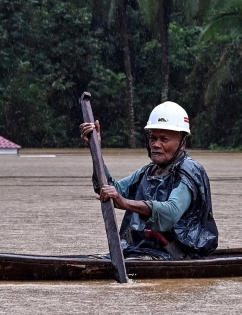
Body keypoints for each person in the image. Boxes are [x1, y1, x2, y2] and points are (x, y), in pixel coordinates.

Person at [80, 102, 218, 260]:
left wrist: (124, 202)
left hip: (179, 255)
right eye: (153, 138)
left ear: (182, 143)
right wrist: (95, 149)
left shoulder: (190, 171)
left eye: (164, 139)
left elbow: (170, 213)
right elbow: (110, 190)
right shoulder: (148, 171)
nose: (156, 144)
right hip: (141, 251)